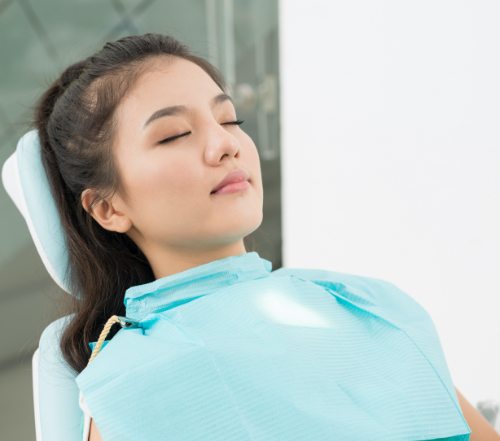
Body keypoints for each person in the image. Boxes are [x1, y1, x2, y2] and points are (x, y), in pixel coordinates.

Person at [32, 33, 497, 441]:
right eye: (174, 135)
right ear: (108, 208)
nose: (225, 144)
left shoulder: (362, 301)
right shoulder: (132, 381)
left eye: (230, 120)